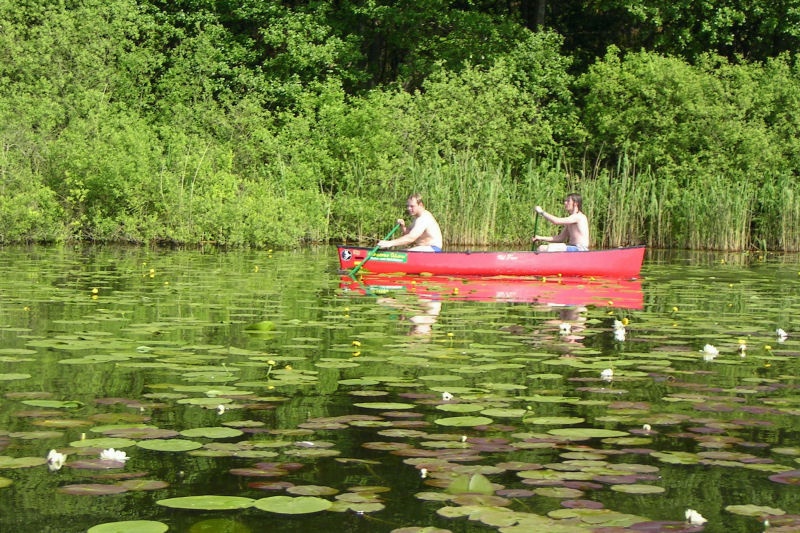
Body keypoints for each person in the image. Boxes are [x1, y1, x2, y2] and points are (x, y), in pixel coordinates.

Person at [377, 193, 443, 252]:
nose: (408, 208)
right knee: (402, 252)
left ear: (420, 205)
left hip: (433, 249)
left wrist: (390, 243)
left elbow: (411, 238)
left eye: (412, 206)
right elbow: (409, 233)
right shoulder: (416, 218)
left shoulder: (423, 218)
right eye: (408, 206)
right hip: (425, 249)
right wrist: (403, 226)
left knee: (403, 253)